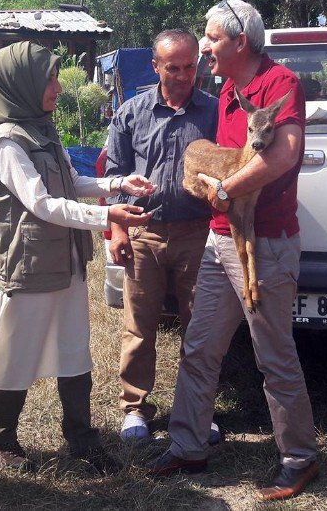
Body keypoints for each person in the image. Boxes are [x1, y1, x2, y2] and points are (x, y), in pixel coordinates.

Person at [145, 0, 320, 501]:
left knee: (273, 353)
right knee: (199, 345)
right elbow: (223, 158)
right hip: (221, 237)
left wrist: (224, 191)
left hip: (264, 244)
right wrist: (209, 188)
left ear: (240, 41)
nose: (204, 46)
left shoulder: (280, 84)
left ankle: (299, 456)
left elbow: (285, 154)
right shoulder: (227, 92)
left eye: (211, 38)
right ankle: (188, 445)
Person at [0, 41, 155, 474]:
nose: (58, 87)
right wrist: (108, 214)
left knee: (73, 348)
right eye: (49, 78)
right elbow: (42, 203)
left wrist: (119, 184)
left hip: (65, 260)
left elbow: (71, 179)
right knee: (16, 350)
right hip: (28, 266)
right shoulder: (6, 142)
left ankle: (81, 437)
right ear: (20, 82)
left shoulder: (41, 129)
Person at [104, 29, 219, 442]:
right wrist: (117, 229)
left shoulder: (215, 112)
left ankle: (198, 410)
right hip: (144, 234)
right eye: (174, 67)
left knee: (199, 327)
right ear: (156, 66)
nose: (185, 75)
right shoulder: (131, 113)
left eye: (191, 66)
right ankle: (134, 408)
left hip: (198, 234)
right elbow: (114, 176)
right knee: (139, 327)